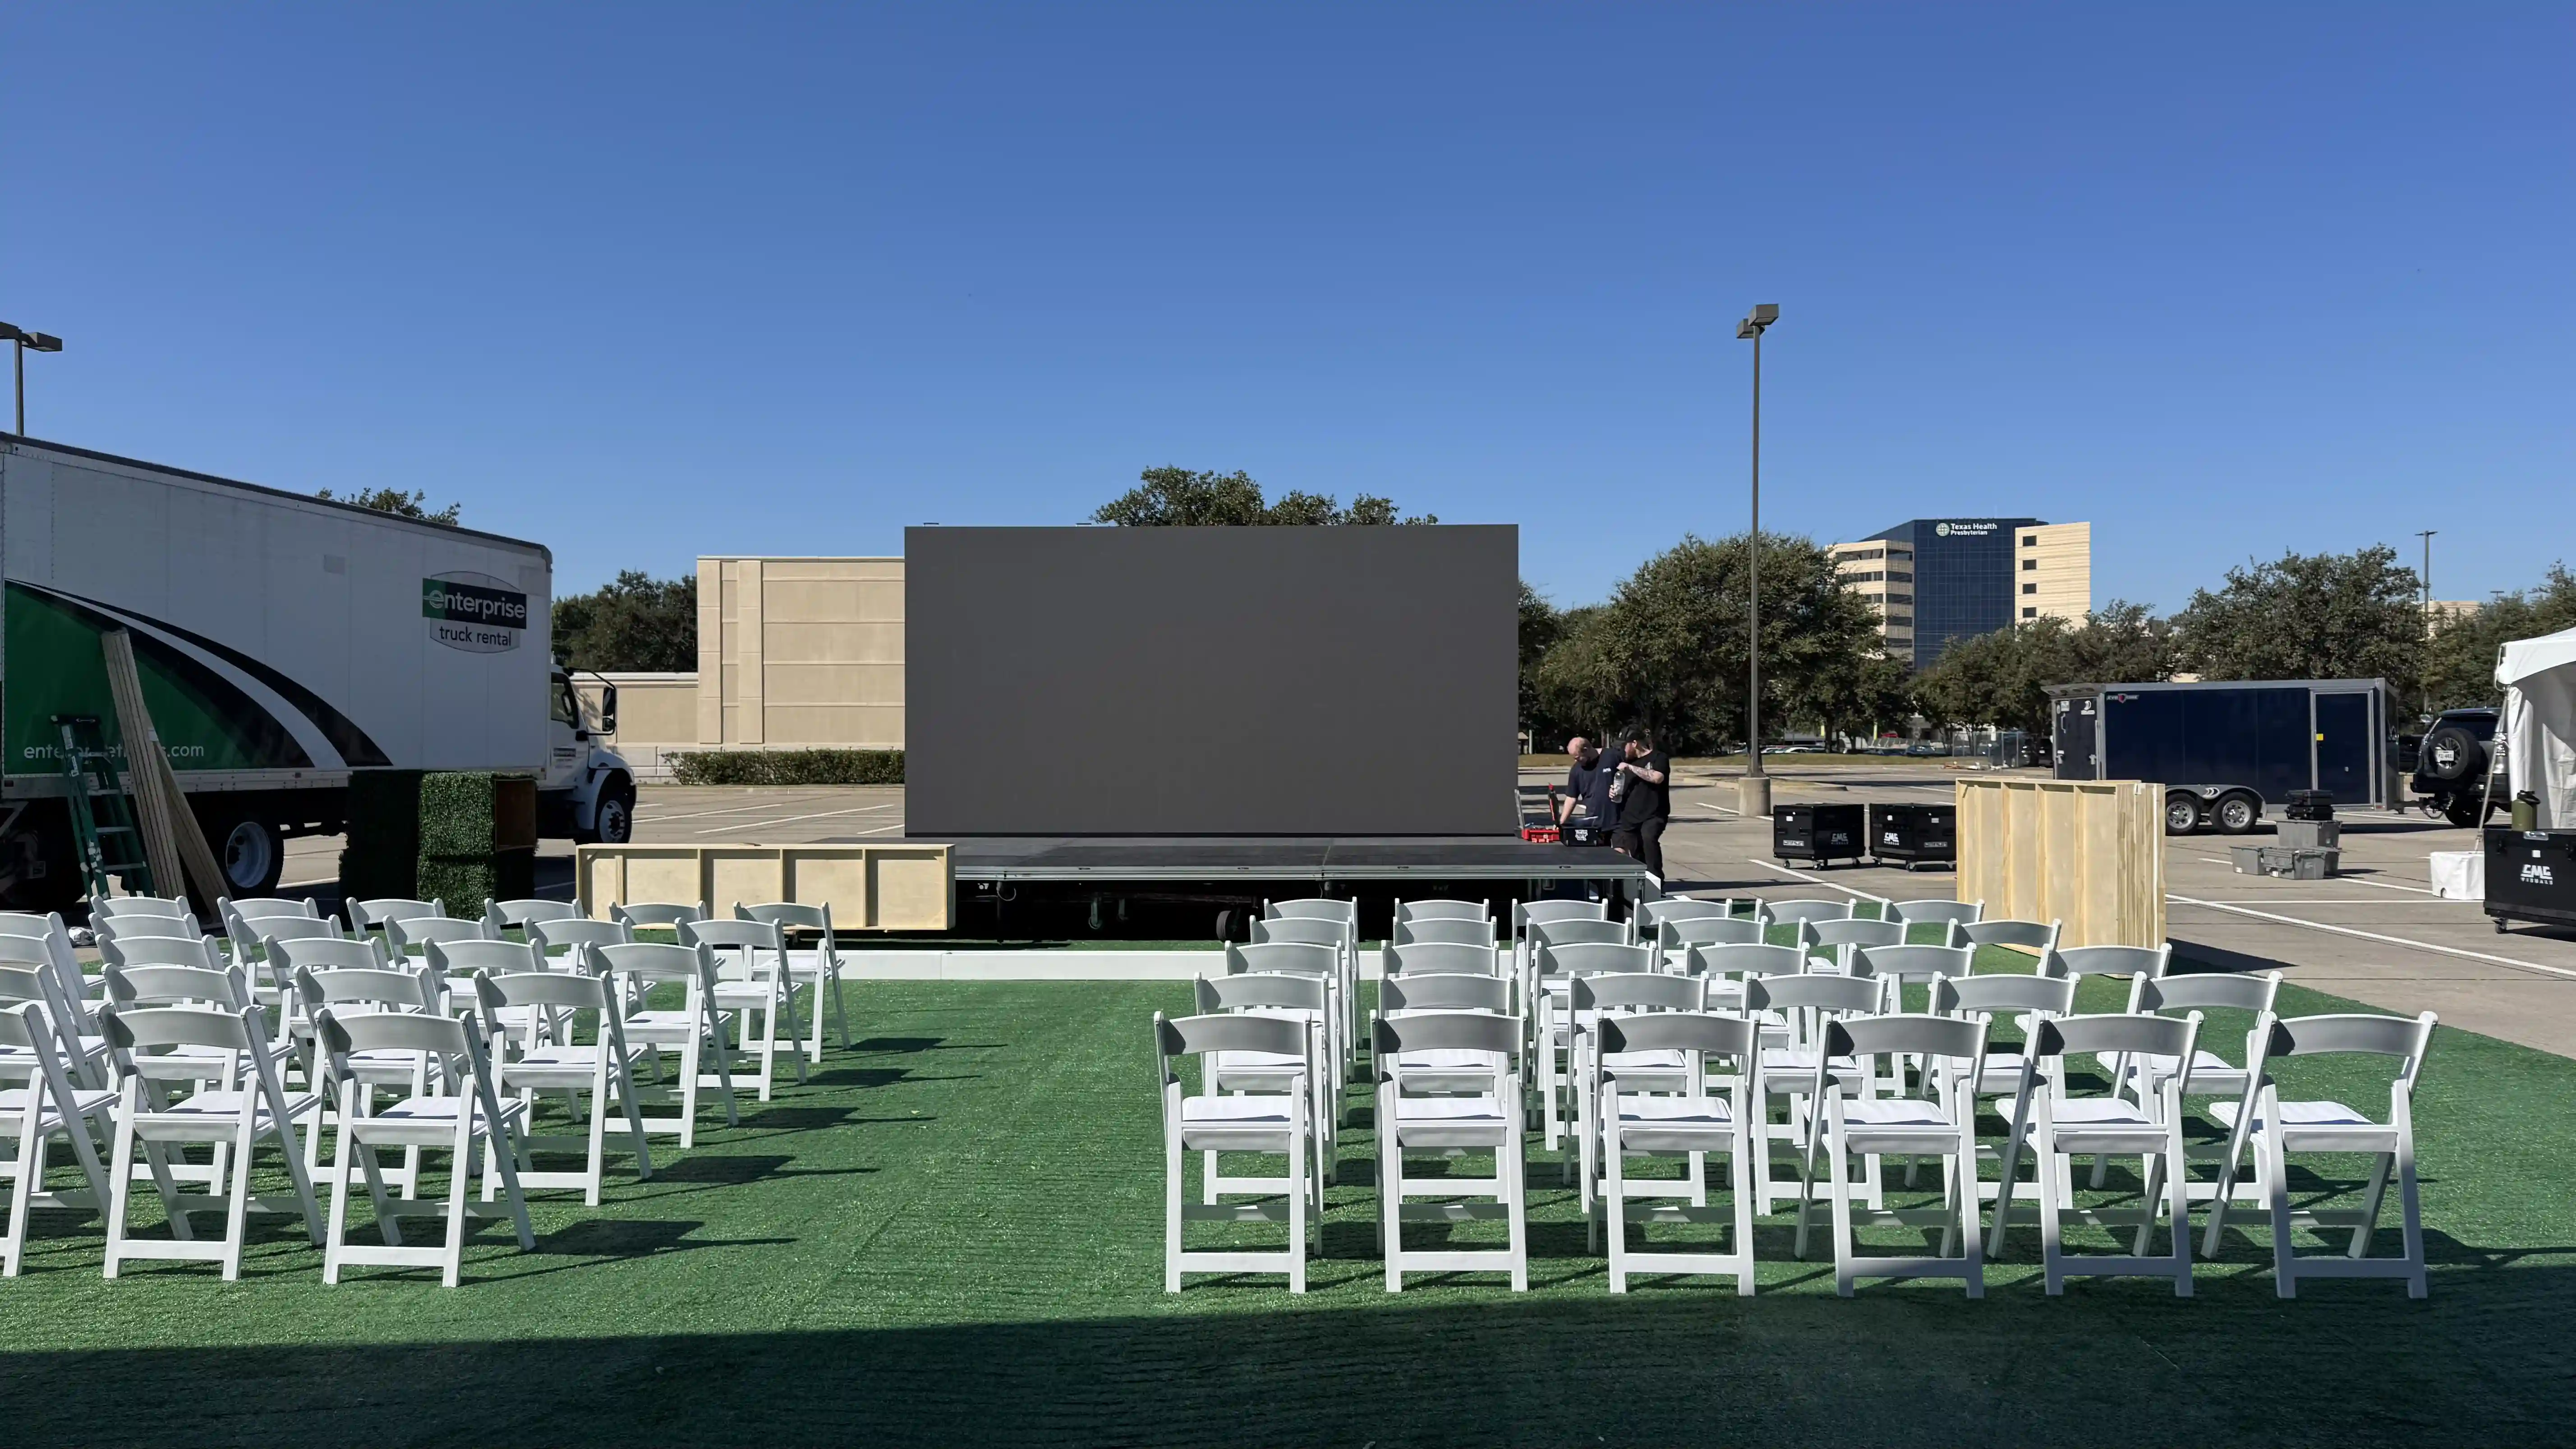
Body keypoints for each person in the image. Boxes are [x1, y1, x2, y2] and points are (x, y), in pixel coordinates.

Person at [1608, 728, 1670, 876]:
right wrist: (1614, 791)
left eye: (1625, 745)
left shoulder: (1658, 757)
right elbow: (1622, 787)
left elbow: (1657, 778)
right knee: (1636, 853)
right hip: (1630, 817)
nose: (1623, 750)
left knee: (1649, 840)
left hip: (1654, 814)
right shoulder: (1626, 763)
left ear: (1634, 744)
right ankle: (1642, 884)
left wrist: (1631, 768)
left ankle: (1657, 882)